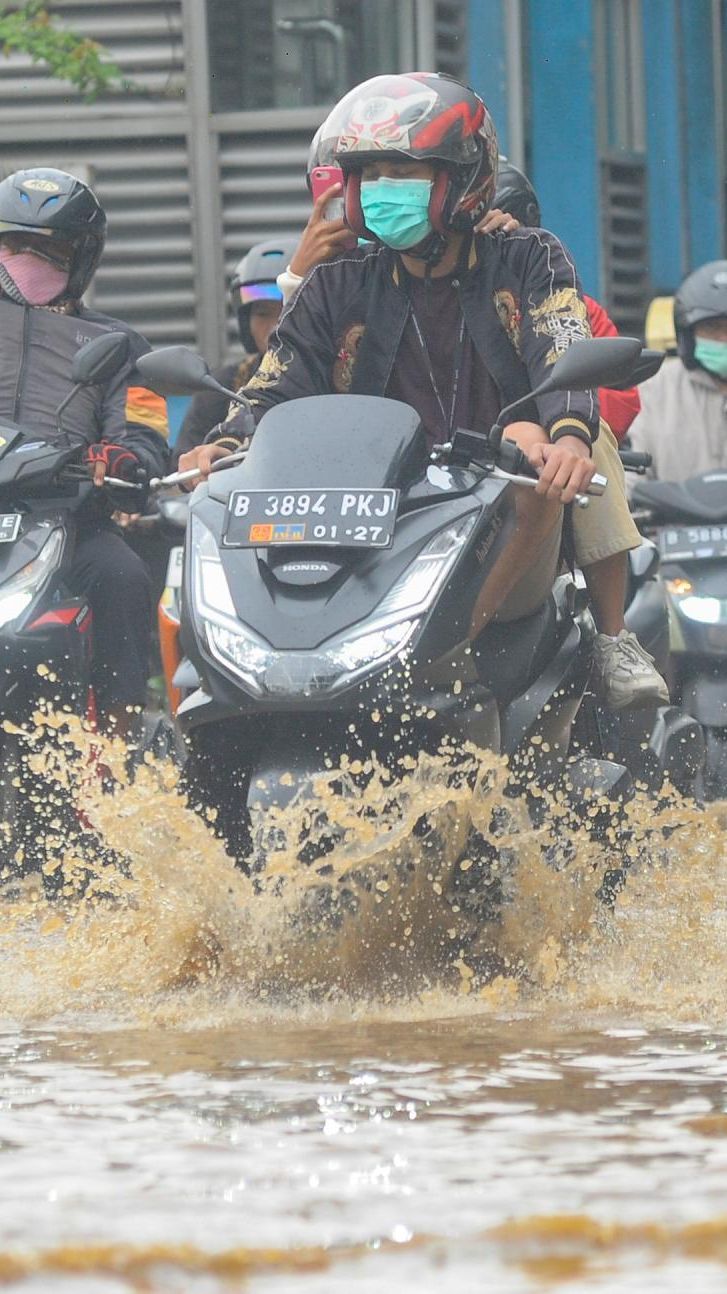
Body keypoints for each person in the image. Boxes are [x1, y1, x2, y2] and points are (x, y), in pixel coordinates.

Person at [181, 71, 604, 641]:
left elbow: (563, 344)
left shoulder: (527, 256)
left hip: (494, 517)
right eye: (370, 174)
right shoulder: (335, 281)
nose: (383, 187)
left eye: (402, 172)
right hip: (368, 518)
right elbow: (280, 380)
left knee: (530, 441)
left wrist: (570, 437)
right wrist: (225, 443)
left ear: (462, 179)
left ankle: (452, 647)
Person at [476, 157, 667, 710]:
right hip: (450, 466)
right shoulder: (411, 296)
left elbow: (611, 395)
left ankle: (614, 636)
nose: (490, 235)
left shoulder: (564, 303)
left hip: (535, 468)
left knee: (591, 436)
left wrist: (556, 433)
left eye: (501, 223)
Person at [0, 166, 169, 736]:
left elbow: (145, 434)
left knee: (125, 576)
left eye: (45, 249)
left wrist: (125, 460)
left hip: (67, 525)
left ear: (82, 257)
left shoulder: (121, 347)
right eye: (12, 244)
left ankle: (119, 750)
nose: (24, 259)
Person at [173, 237, 299, 463]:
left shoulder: (338, 378)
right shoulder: (220, 387)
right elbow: (183, 473)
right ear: (245, 323)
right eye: (262, 314)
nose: (275, 325)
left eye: (287, 311)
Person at [628, 261, 727, 482]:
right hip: (669, 517)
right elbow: (630, 474)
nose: (723, 339)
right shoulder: (653, 390)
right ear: (688, 336)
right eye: (712, 328)